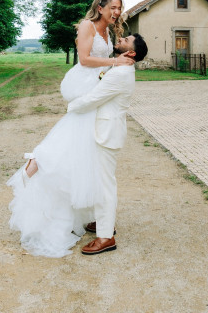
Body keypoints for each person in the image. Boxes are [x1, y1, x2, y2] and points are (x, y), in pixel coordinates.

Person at [7, 0, 133, 258]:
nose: (116, 12)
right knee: (69, 137)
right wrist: (115, 61)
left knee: (85, 151)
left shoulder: (110, 32)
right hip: (85, 85)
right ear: (100, 7)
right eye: (113, 7)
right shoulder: (87, 26)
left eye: (119, 8)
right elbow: (85, 59)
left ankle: (92, 214)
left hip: (98, 87)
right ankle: (37, 162)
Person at [67, 32, 148, 255]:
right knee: (99, 180)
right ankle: (103, 221)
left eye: (125, 41)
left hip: (106, 133)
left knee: (105, 184)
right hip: (105, 130)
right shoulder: (119, 68)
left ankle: (105, 237)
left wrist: (70, 107)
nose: (120, 39)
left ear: (131, 53)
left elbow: (94, 99)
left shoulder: (121, 73)